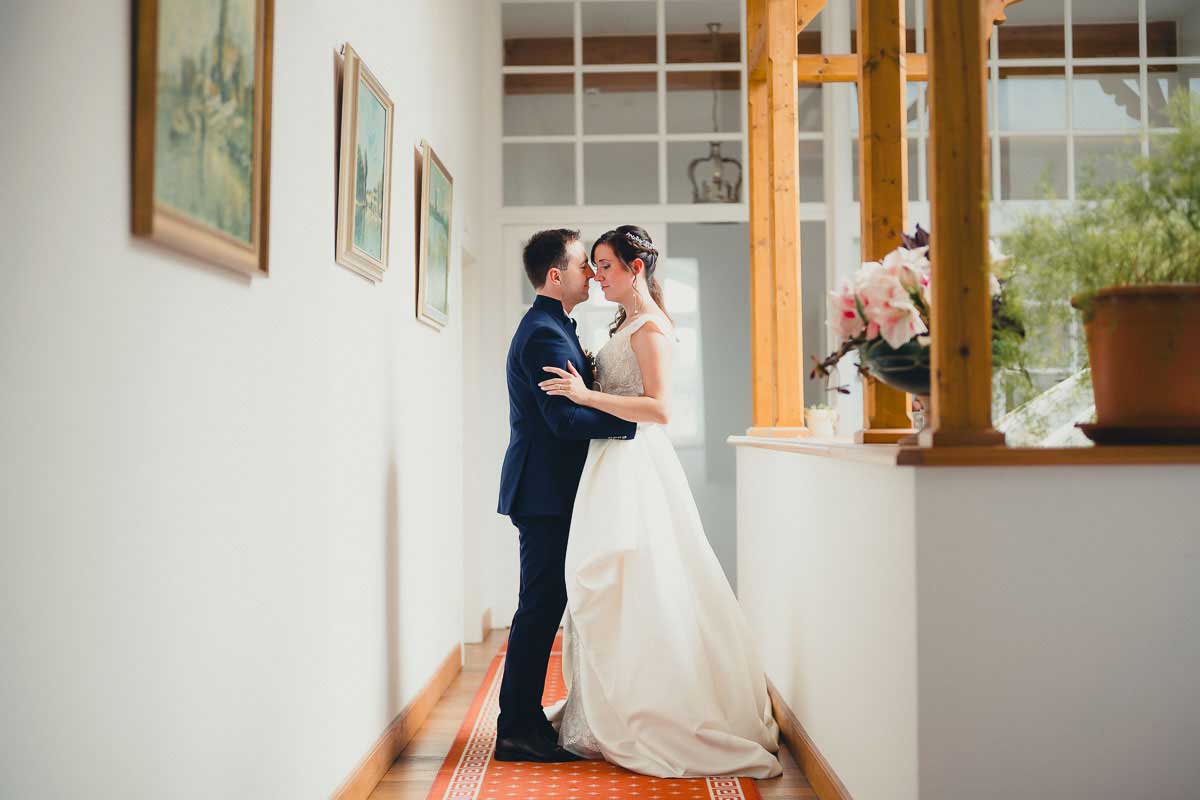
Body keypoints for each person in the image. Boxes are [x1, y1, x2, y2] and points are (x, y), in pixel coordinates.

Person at [538, 225, 783, 779]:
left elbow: (660, 409)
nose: (596, 277)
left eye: (604, 266)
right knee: (606, 584)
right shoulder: (623, 323)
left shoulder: (650, 327)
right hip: (608, 462)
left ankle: (657, 709)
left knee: (637, 581)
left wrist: (583, 394)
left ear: (635, 269)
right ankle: (606, 707)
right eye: (593, 266)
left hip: (635, 465)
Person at [494, 228, 637, 763]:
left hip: (550, 490)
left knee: (545, 604)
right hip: (545, 492)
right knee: (538, 607)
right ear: (557, 276)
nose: (592, 275)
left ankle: (525, 720)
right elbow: (562, 417)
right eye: (584, 266)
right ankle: (515, 730)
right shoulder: (543, 334)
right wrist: (632, 421)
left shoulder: (554, 325)